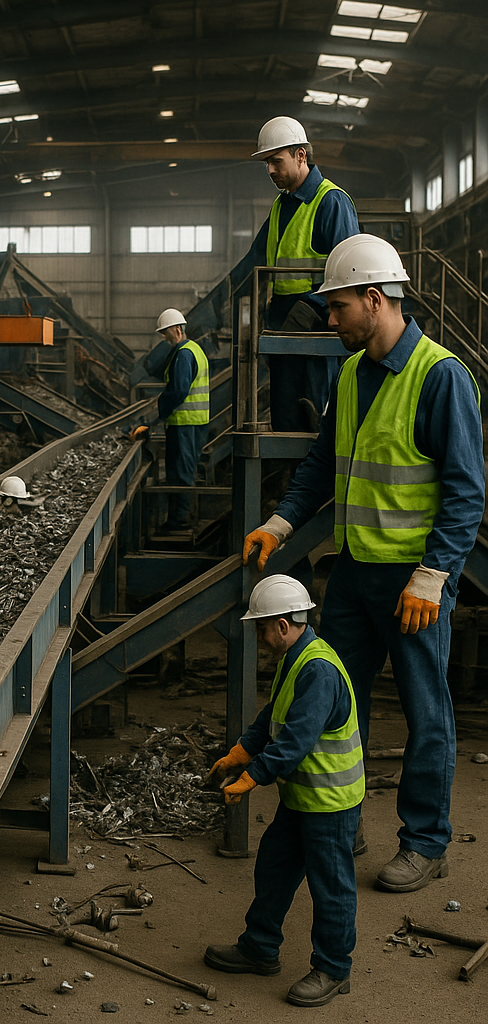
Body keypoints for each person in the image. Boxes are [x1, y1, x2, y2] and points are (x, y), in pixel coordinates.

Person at [242, 234, 484, 893]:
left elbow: (466, 491)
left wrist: (432, 577)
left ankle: (426, 843)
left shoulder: (440, 376)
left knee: (425, 713)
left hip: (413, 583)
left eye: (338, 305)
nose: (329, 318)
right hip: (351, 575)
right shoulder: (349, 374)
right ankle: (341, 822)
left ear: (375, 300)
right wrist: (280, 521)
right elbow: (324, 464)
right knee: (331, 700)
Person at [205, 575, 363, 1008]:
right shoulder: (297, 657)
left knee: (331, 886)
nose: (259, 635)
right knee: (274, 868)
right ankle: (259, 946)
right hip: (303, 798)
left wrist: (252, 776)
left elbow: (295, 741)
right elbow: (274, 716)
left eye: (261, 626)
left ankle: (333, 968)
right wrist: (242, 750)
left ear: (282, 623)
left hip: (328, 803)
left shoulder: (317, 669)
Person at [233, 116, 359, 432]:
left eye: (276, 161)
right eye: (267, 163)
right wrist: (221, 298)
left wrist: (315, 309)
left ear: (300, 155)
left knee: (315, 418)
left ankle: (315, 480)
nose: (270, 170)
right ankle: (289, 480)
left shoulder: (331, 202)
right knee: (285, 418)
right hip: (282, 327)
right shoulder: (281, 205)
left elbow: (351, 272)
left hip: (317, 331)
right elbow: (254, 261)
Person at [130, 308, 209, 532]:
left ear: (177, 329)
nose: (165, 338)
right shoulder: (195, 350)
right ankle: (182, 517)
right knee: (185, 468)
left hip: (184, 423)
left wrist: (159, 412)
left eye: (166, 333)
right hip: (194, 422)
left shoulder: (184, 354)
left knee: (181, 471)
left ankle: (179, 521)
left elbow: (178, 390)